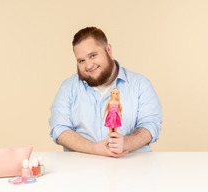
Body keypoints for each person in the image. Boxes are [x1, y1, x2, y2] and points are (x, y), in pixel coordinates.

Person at [49, 27, 162, 157]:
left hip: (132, 168)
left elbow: (150, 125)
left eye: (93, 55)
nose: (89, 65)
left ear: (108, 50)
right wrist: (93, 148)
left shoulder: (140, 85)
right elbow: (59, 129)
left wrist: (126, 142)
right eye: (81, 60)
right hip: (82, 170)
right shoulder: (68, 88)